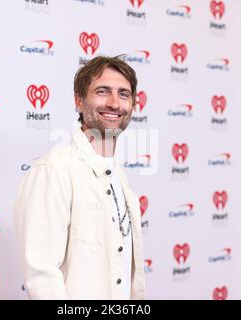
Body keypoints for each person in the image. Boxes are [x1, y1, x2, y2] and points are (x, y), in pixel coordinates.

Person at [14, 55, 146, 300]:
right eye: (103, 91)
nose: (115, 103)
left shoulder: (120, 179)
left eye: (124, 94)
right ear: (79, 101)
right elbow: (42, 278)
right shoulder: (53, 170)